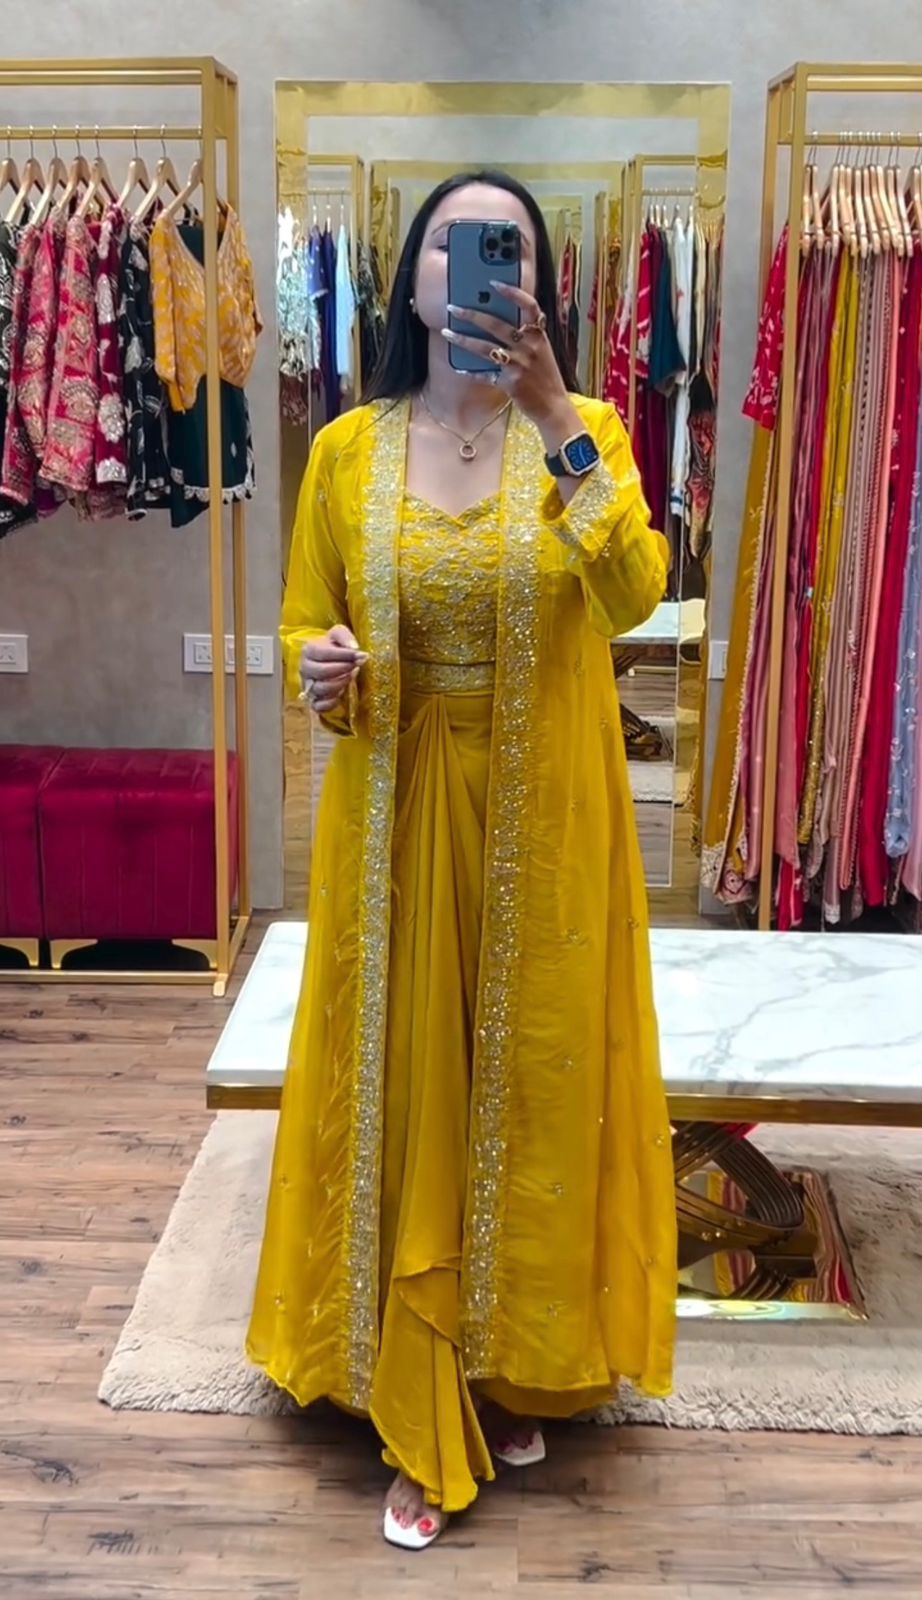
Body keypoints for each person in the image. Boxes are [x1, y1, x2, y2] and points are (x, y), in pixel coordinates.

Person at [247, 170, 677, 1550]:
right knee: (411, 1079)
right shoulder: (346, 451)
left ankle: (504, 1366)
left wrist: (555, 419)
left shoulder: (587, 431)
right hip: (394, 821)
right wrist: (320, 672)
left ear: (535, 281)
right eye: (448, 243)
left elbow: (634, 593)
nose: (475, 266)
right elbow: (306, 624)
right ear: (411, 283)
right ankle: (418, 1397)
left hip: (546, 821)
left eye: (503, 248)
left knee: (528, 1086)